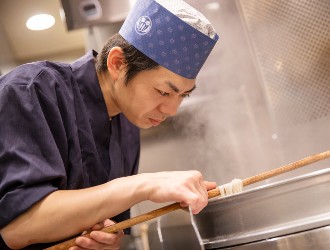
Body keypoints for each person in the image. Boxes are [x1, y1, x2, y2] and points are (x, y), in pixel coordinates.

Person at [0, 0, 219, 249]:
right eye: (163, 92)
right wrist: (145, 185)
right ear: (117, 64)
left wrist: (107, 241)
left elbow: (107, 226)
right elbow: (17, 227)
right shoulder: (32, 89)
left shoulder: (129, 127)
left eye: (183, 95)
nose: (171, 110)